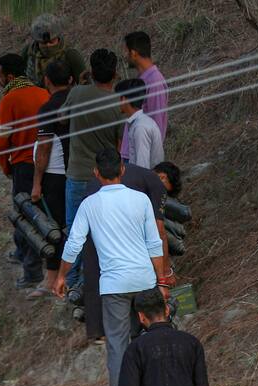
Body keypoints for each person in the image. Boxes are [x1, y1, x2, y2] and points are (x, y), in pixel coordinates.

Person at [53, 148, 164, 386]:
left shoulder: (90, 204)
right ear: (122, 170)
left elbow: (74, 243)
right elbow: (154, 243)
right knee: (149, 340)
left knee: (117, 345)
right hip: (144, 280)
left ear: (96, 173)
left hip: (114, 285)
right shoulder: (140, 200)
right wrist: (161, 280)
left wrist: (61, 275)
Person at [82, 162, 171, 341]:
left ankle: (99, 330)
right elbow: (158, 232)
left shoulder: (97, 182)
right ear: (164, 178)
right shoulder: (155, 184)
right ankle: (140, 328)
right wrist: (165, 275)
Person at [61, 48, 124, 295]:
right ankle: (96, 280)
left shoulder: (77, 93)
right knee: (103, 232)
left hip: (77, 174)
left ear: (91, 71)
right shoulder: (118, 105)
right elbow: (119, 146)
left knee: (74, 229)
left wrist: (83, 84)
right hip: (104, 178)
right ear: (115, 74)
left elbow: (62, 119)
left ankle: (71, 280)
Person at [0, 53, 49, 289]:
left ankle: (32, 270)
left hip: (23, 165)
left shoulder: (9, 99)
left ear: (9, 76)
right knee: (37, 213)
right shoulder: (43, 93)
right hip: (47, 163)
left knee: (25, 216)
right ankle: (22, 252)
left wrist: (6, 166)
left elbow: (1, 141)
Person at [28, 59, 71, 298]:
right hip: (78, 172)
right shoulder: (79, 102)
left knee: (54, 229)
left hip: (55, 176)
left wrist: (36, 183)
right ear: (71, 80)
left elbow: (43, 149)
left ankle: (54, 280)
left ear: (47, 81)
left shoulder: (48, 108)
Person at [121, 31, 168, 161]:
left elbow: (156, 123)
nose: (125, 56)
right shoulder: (144, 78)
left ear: (134, 53)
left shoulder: (154, 82)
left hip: (140, 158)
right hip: (132, 155)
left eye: (126, 52)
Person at [21, 14, 85, 87]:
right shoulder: (28, 52)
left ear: (57, 37)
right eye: (43, 43)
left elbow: (85, 84)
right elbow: (18, 79)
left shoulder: (70, 54)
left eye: (51, 42)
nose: (48, 45)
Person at [115, 78, 164, 169]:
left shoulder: (140, 127)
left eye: (119, 98)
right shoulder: (139, 123)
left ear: (124, 99)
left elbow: (142, 167)